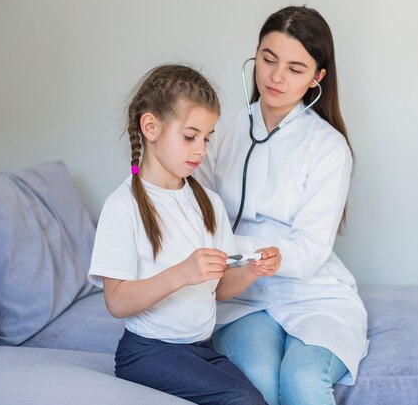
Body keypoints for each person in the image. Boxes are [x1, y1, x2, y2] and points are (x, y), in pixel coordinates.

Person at [195, 6, 368, 405]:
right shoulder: (218, 132)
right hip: (238, 297)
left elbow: (309, 249)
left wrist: (268, 254)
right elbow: (197, 218)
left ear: (316, 78)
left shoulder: (328, 147)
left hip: (312, 293)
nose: (276, 77)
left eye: (295, 68)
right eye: (268, 59)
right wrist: (246, 259)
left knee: (303, 381)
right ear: (254, 55)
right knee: (257, 381)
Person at [87, 64, 281, 405]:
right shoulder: (123, 207)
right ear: (150, 127)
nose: (201, 150)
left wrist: (253, 270)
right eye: (190, 137)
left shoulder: (208, 203)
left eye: (207, 138)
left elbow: (219, 289)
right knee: (243, 399)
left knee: (257, 397)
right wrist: (181, 274)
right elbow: (116, 302)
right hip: (147, 353)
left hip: (200, 348)